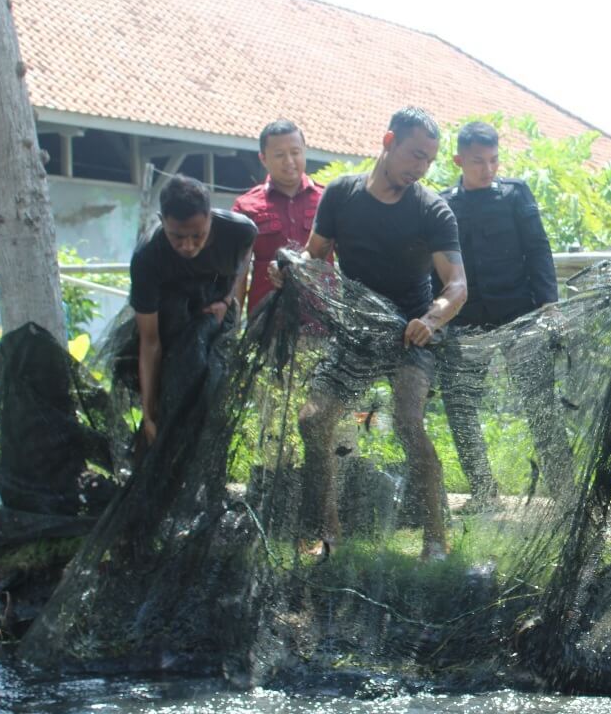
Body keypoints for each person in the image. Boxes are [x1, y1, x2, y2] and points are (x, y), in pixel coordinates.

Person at [269, 107, 467, 560]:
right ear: (388, 140)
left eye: (429, 161)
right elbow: (314, 258)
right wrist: (288, 272)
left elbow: (457, 286)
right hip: (355, 332)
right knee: (313, 419)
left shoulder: (432, 208)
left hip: (410, 334)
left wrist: (431, 320)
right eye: (415, 155)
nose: (421, 168)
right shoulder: (341, 194)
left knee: (408, 423)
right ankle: (328, 534)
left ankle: (435, 539)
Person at [436, 121, 569, 504]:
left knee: (540, 405)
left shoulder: (515, 195)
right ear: (459, 159)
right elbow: (435, 267)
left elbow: (538, 250)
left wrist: (549, 304)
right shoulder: (443, 204)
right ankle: (482, 490)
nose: (488, 169)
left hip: (518, 315)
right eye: (478, 161)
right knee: (461, 407)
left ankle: (564, 494)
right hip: (466, 321)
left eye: (494, 161)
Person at [128, 174, 256, 447]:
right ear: (162, 222)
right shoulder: (147, 258)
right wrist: (149, 414)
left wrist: (227, 299)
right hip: (171, 319)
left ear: (210, 217)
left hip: (215, 308)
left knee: (215, 396)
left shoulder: (241, 231)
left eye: (197, 235)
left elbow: (244, 261)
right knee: (173, 400)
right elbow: (149, 342)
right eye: (177, 237)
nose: (188, 246)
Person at [232, 119, 325, 317]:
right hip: (267, 322)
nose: (289, 161)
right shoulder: (245, 206)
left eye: (295, 152)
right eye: (280, 155)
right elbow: (237, 273)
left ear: (304, 151)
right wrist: (232, 327)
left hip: (322, 321)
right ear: (263, 158)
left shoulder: (327, 199)